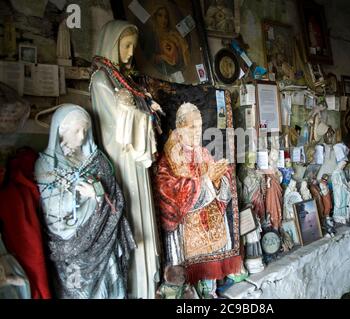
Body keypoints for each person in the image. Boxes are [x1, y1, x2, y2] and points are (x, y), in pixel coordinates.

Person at [90, 20, 162, 299]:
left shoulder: (122, 79)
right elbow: (115, 122)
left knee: (144, 214)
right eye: (126, 45)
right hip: (122, 158)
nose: (131, 52)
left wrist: (145, 109)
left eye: (133, 46)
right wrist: (143, 115)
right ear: (112, 44)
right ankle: (136, 287)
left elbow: (134, 111)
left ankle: (149, 280)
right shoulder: (101, 79)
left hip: (134, 156)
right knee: (133, 215)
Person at [35, 104, 135, 298]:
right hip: (71, 246)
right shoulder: (46, 164)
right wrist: (76, 195)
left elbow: (116, 198)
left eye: (85, 131)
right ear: (60, 130)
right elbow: (52, 209)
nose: (82, 136)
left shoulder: (97, 160)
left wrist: (97, 195)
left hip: (103, 240)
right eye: (77, 130)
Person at [154, 103, 241, 295]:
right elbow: (169, 191)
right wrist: (207, 181)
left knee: (209, 284)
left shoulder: (202, 153)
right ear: (180, 128)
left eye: (199, 127)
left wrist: (218, 181)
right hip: (188, 229)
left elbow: (218, 184)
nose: (197, 132)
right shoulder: (169, 156)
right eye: (192, 127)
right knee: (189, 283)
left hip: (211, 227)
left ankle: (210, 290)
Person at [148, 6, 190, 75]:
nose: (163, 19)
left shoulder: (174, 35)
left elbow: (184, 56)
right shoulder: (152, 36)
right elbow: (149, 57)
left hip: (176, 71)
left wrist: (179, 43)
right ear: (155, 17)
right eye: (160, 15)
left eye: (166, 17)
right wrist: (162, 57)